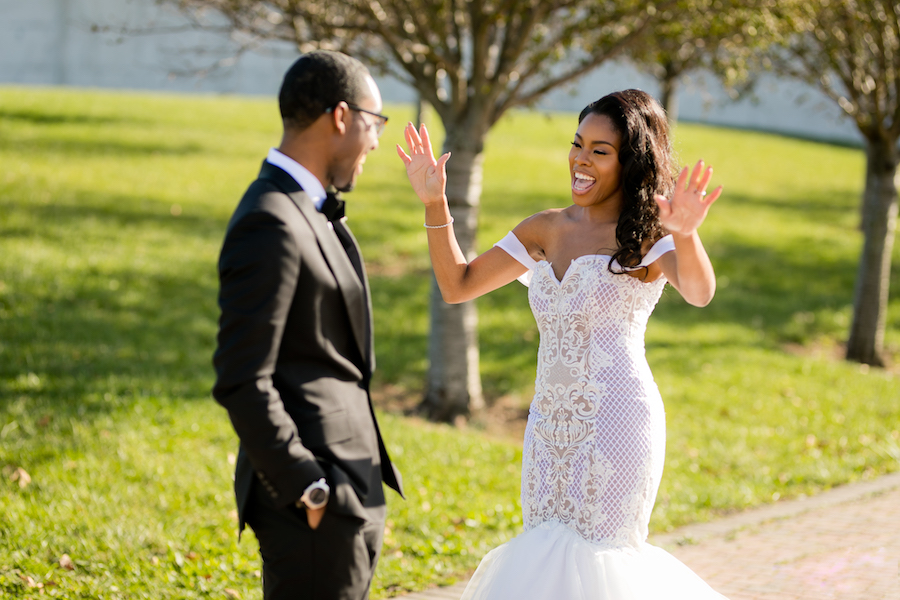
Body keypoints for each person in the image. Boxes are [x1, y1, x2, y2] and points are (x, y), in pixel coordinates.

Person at [397, 89, 727, 599]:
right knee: (544, 558)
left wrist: (685, 234)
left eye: (600, 150)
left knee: (602, 565)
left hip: (619, 425)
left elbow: (701, 292)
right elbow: (457, 284)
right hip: (549, 430)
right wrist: (434, 202)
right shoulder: (545, 229)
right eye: (578, 144)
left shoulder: (647, 236)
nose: (581, 159)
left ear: (630, 162)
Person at [213, 50, 403, 600]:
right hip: (314, 501)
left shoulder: (307, 208)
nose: (375, 141)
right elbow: (242, 378)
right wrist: (307, 486)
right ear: (340, 117)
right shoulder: (269, 220)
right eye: (374, 123)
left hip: (350, 487)